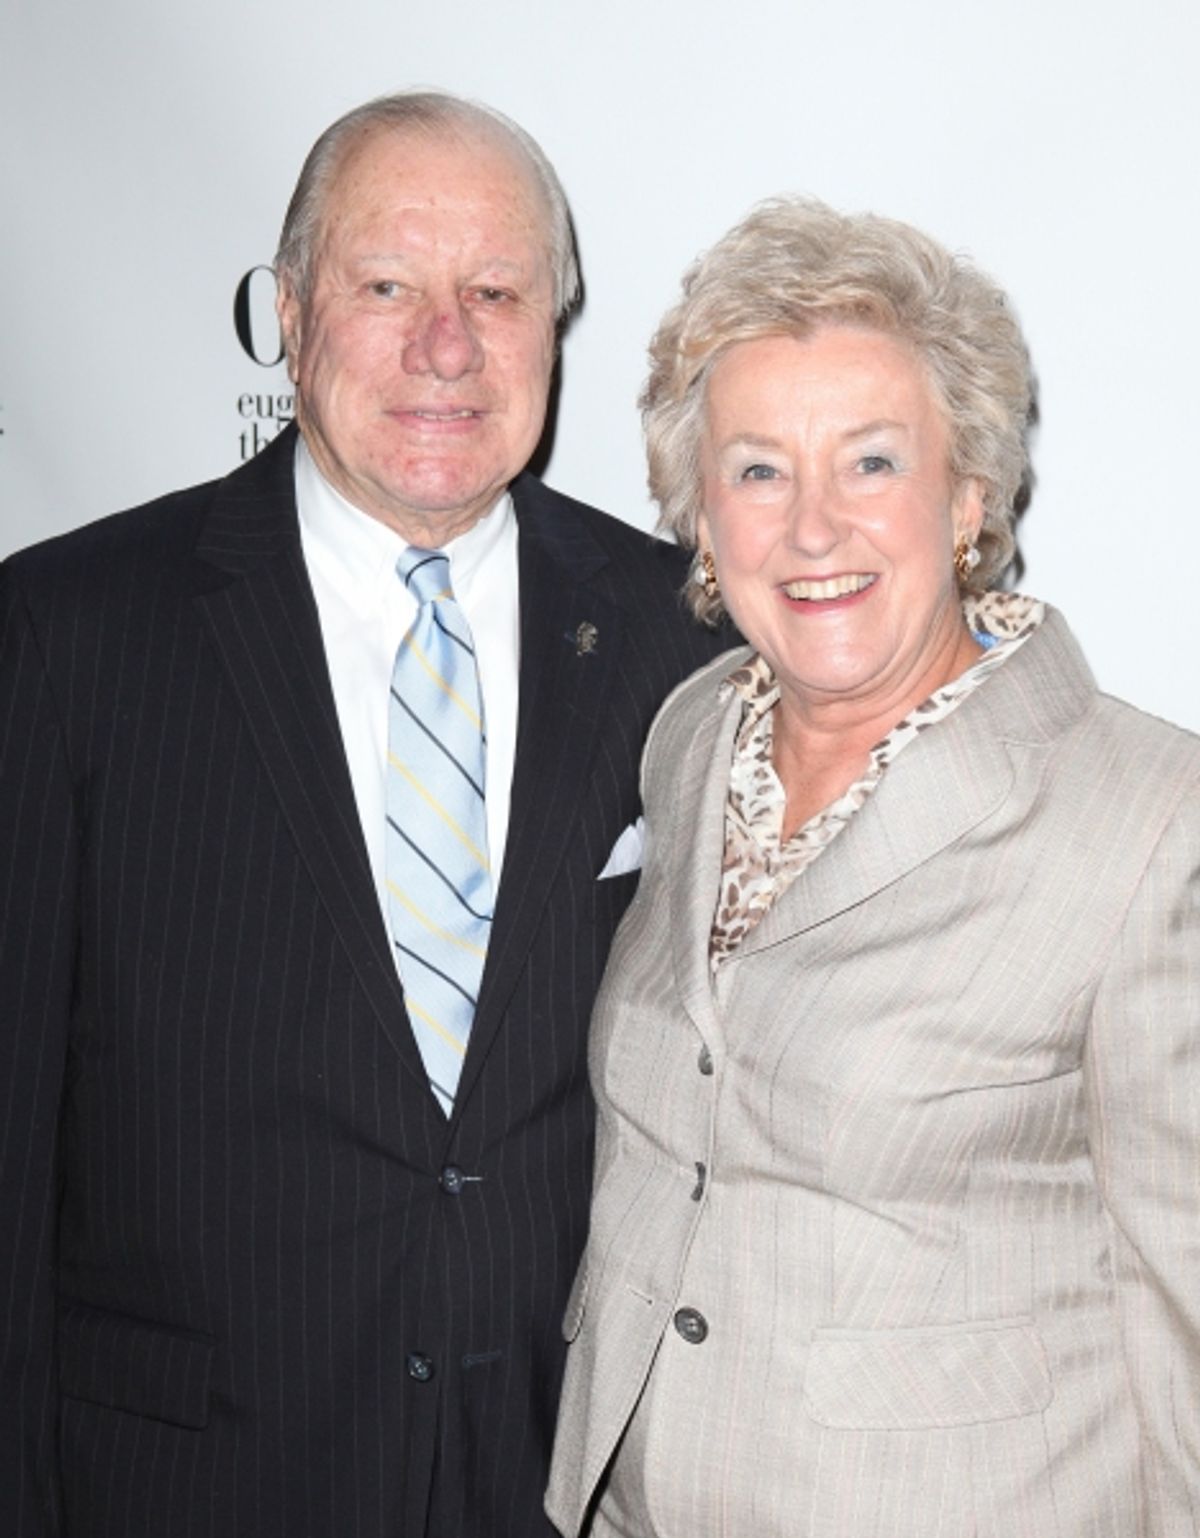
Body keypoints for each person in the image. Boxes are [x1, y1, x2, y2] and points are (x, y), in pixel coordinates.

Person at [0, 91, 728, 1538]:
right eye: (386, 286)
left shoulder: (679, 640)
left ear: (555, 326)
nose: (445, 346)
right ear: (285, 313)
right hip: (188, 1484)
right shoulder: (65, 634)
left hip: (557, 1483)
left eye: (497, 293)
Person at [546, 198, 1200, 1537]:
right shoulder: (690, 736)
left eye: (872, 463)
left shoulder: (1151, 813)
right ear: (699, 513)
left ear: (967, 495)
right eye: (760, 470)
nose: (814, 527)